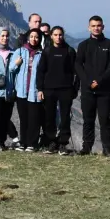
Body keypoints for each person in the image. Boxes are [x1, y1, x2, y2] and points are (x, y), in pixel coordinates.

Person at [75, 16, 110, 155]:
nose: (96, 28)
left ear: (103, 27)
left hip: (105, 90)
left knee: (105, 120)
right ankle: (87, 146)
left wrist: (99, 81)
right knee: (88, 119)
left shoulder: (109, 44)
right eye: (93, 26)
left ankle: (106, 148)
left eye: (98, 25)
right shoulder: (83, 45)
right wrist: (88, 82)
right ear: (89, 27)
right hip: (87, 90)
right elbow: (78, 65)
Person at [36, 26, 77, 154]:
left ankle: (63, 143)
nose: (58, 37)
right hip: (49, 89)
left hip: (65, 89)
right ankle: (51, 142)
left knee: (65, 117)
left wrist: (75, 88)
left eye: (60, 35)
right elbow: (41, 71)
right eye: (55, 35)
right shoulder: (47, 51)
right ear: (51, 36)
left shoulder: (69, 51)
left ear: (63, 35)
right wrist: (40, 89)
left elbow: (76, 72)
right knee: (50, 117)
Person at [11, 28, 45, 151]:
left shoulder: (42, 54)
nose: (34, 39)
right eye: (32, 36)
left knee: (34, 119)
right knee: (23, 118)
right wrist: (16, 63)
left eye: (36, 37)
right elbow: (11, 69)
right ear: (28, 38)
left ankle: (32, 143)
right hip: (21, 91)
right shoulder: (20, 51)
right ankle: (23, 142)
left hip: (34, 91)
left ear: (40, 39)